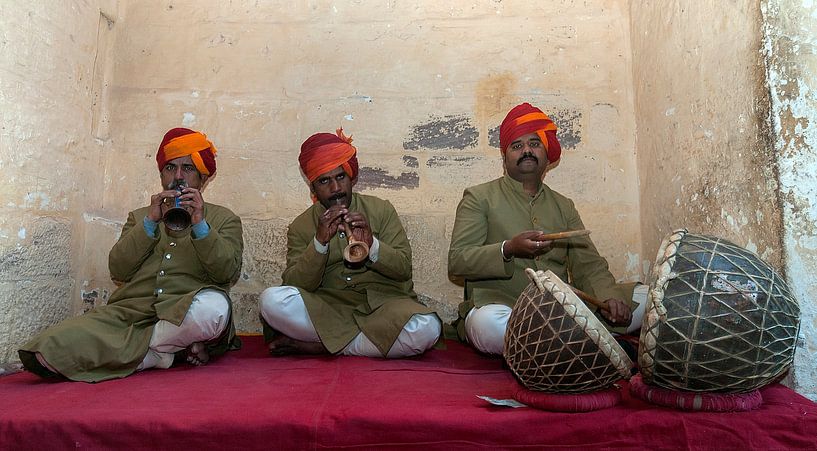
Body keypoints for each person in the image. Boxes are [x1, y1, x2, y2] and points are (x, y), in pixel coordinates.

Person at [18, 128, 243, 382]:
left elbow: (226, 273)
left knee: (214, 310)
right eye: (170, 168)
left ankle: (141, 353)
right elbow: (119, 270)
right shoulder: (140, 216)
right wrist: (149, 221)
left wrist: (200, 224)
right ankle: (166, 354)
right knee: (45, 352)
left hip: (182, 314)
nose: (178, 177)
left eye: (188, 169)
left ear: (202, 179)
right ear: (161, 175)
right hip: (129, 315)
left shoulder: (224, 219)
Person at [448, 103, 646, 355]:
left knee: (650, 297)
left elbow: (589, 264)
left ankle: (568, 345)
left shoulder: (564, 206)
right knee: (489, 324)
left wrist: (608, 298)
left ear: (546, 153)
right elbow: (458, 261)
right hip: (506, 307)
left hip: (561, 310)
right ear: (505, 157)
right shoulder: (479, 197)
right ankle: (586, 345)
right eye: (517, 146)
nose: (527, 150)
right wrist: (508, 249)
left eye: (534, 143)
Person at [259, 129, 441, 358]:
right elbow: (294, 284)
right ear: (313, 188)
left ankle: (326, 345)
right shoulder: (301, 226)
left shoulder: (381, 210)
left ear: (351, 176)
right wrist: (319, 242)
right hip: (328, 308)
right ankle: (358, 344)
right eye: (324, 181)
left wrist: (372, 244)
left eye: (340, 177)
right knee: (271, 301)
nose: (335, 189)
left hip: (382, 306)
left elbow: (403, 269)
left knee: (427, 328)